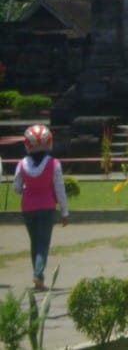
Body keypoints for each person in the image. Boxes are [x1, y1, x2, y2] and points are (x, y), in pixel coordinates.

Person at [13, 124, 69, 291]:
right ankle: (38, 275)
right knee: (43, 243)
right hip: (47, 207)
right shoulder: (54, 164)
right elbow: (60, 189)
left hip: (28, 208)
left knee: (34, 242)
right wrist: (65, 212)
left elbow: (16, 188)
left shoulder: (22, 164)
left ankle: (37, 276)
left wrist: (27, 190)